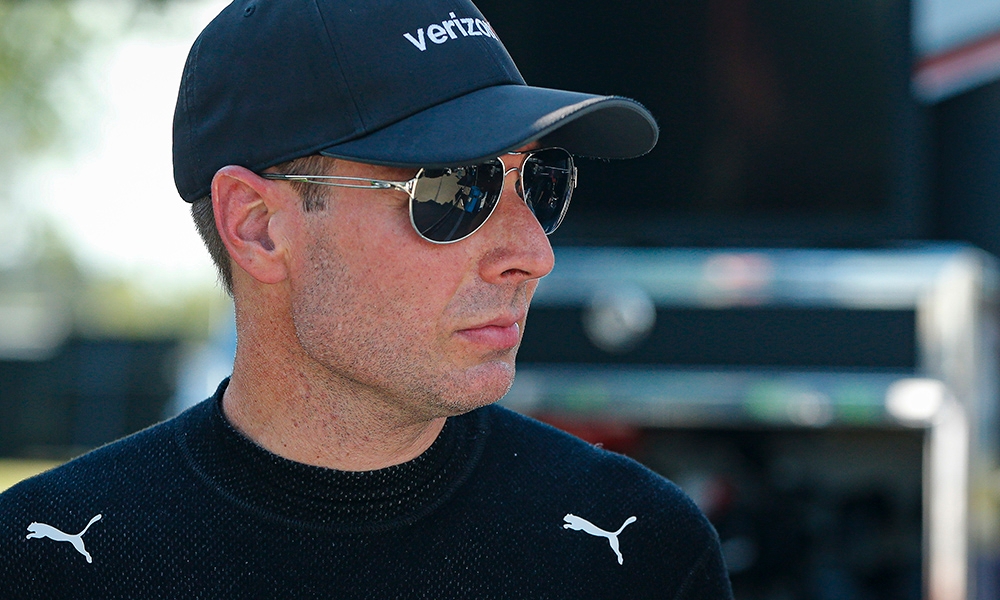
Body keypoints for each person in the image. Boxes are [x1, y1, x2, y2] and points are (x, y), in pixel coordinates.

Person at [0, 0, 733, 597]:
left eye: (540, 182)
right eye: (454, 188)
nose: (534, 254)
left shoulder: (636, 549)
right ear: (257, 228)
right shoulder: (43, 561)